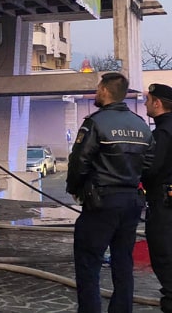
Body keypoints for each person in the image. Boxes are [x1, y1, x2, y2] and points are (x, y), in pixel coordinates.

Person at [66, 72, 154, 313]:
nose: (96, 92)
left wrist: (75, 189)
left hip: (101, 202)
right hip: (132, 202)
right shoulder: (140, 124)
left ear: (105, 90)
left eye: (98, 88)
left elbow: (79, 161)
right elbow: (149, 164)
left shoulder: (95, 122)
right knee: (123, 262)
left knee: (88, 263)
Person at [143, 83, 172, 313]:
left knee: (164, 257)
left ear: (158, 103)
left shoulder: (162, 133)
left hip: (164, 205)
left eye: (148, 100)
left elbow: (151, 169)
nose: (145, 104)